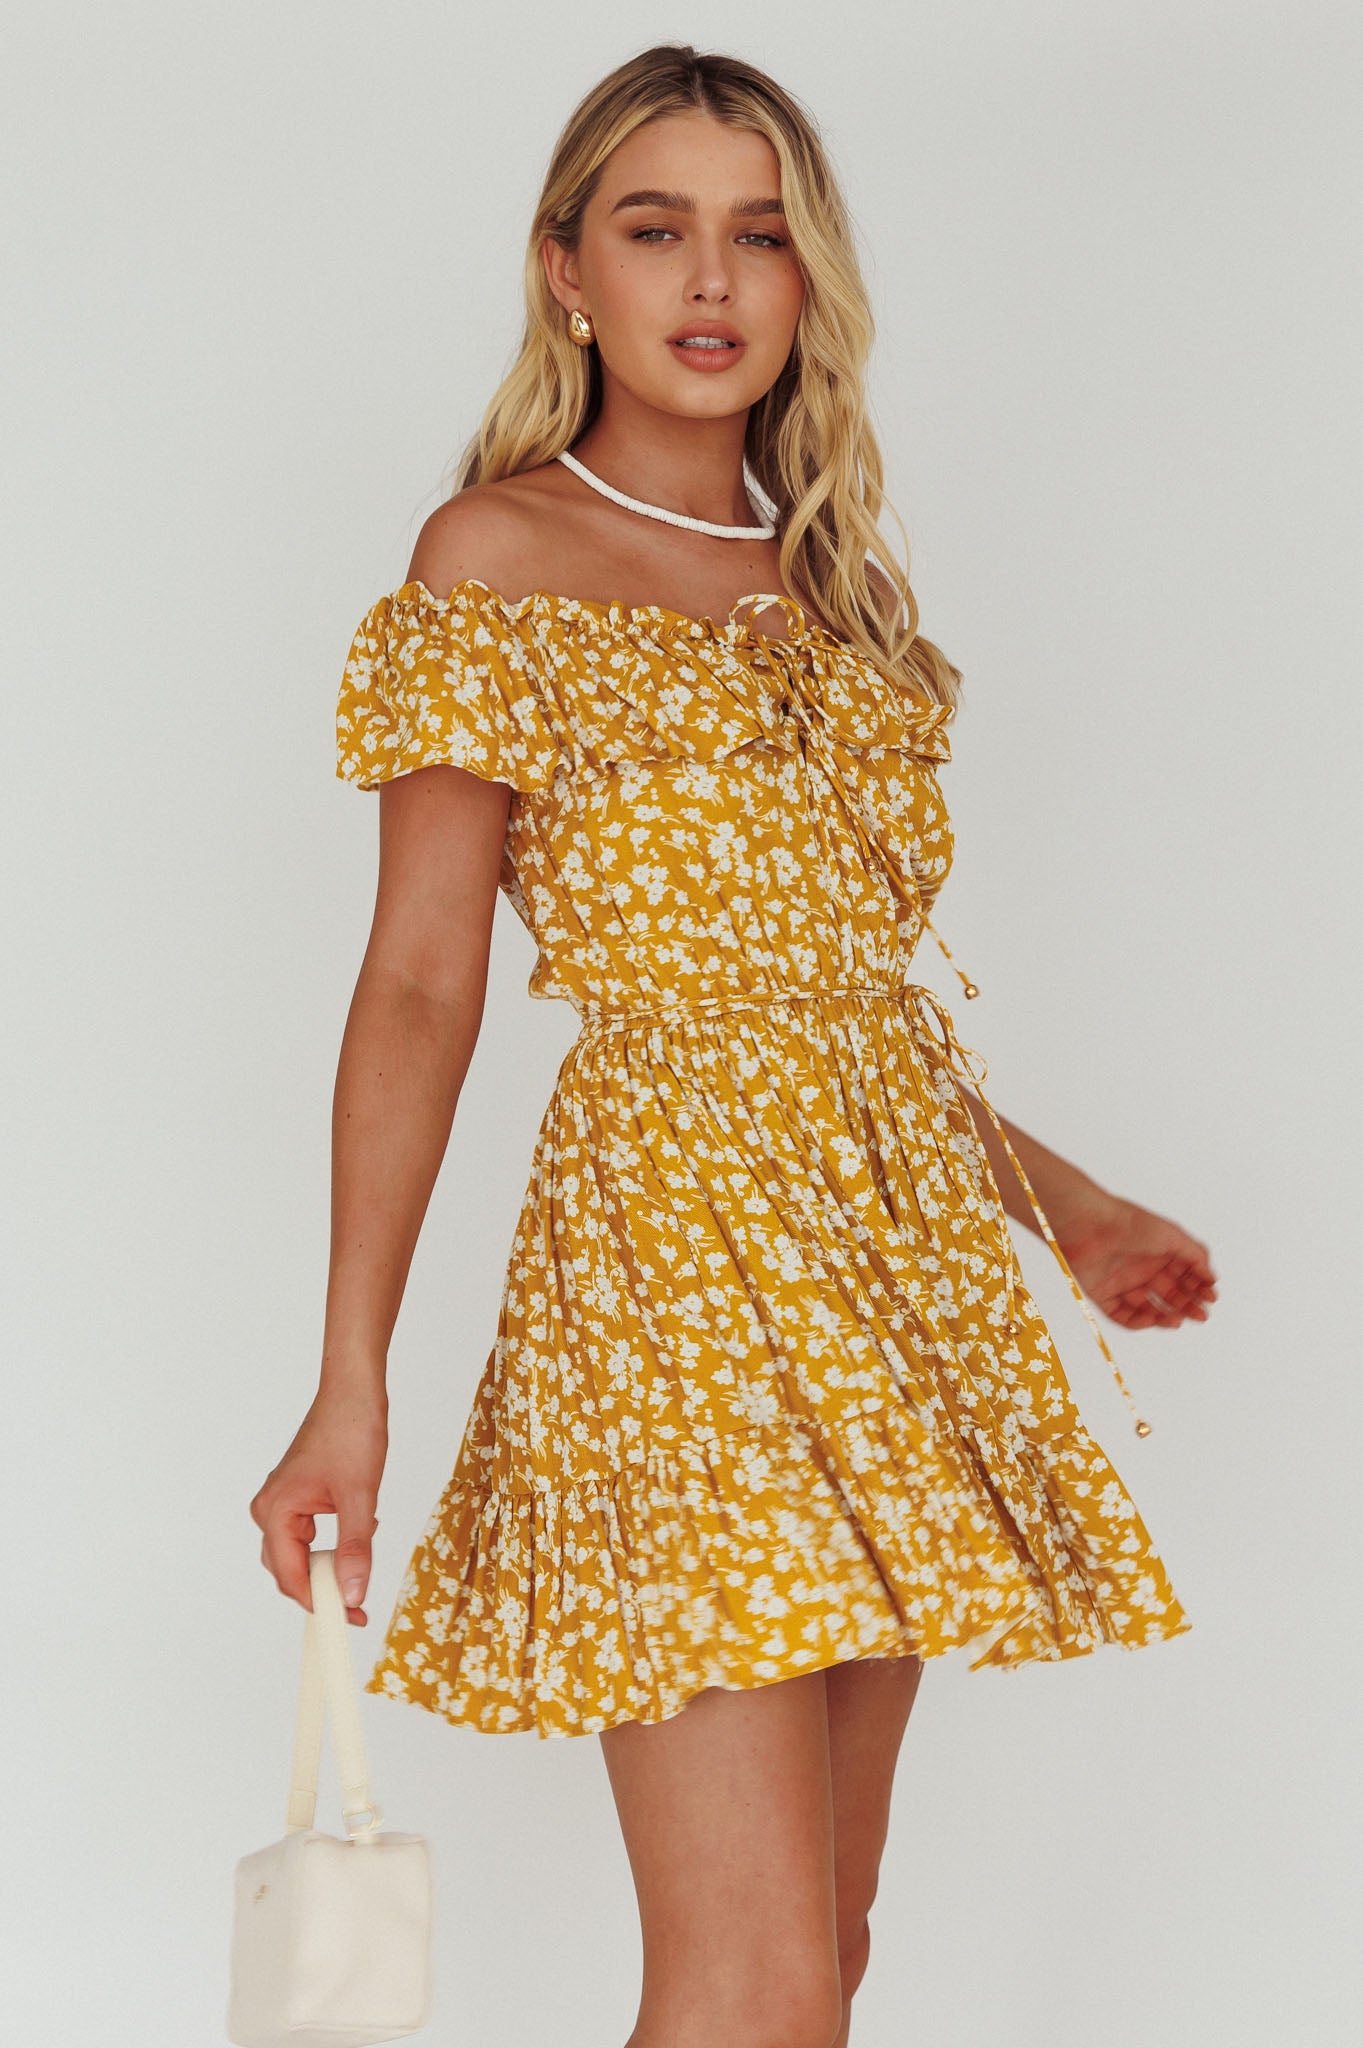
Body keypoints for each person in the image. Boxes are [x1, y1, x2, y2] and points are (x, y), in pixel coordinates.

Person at [250, 43, 1216, 2048]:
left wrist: (1072, 1205)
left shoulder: (837, 591)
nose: (710, 279)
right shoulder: (493, 557)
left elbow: (840, 1007)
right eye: (654, 227)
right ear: (567, 272)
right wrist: (350, 1382)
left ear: (806, 279)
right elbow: (420, 983)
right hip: (670, 1273)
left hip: (892, 1285)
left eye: (760, 235)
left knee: (825, 1958)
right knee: (756, 1988)